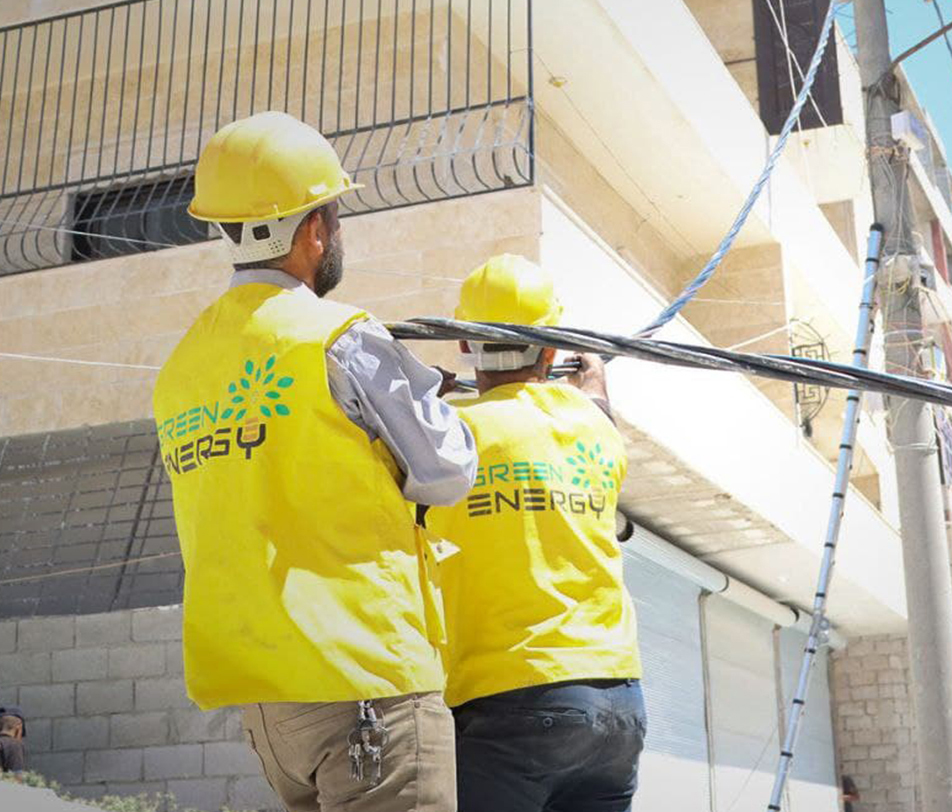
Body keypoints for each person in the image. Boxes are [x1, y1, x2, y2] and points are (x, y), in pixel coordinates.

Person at [152, 111, 477, 812]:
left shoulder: (181, 367)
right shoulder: (339, 336)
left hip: (268, 705)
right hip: (363, 678)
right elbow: (448, 470)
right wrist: (423, 406)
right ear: (314, 229)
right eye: (334, 215)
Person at [424, 255, 646, 812]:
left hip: (510, 701)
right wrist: (592, 371)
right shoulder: (594, 428)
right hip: (617, 702)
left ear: (464, 347)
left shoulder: (452, 437)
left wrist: (422, 401)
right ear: (551, 350)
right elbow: (598, 406)